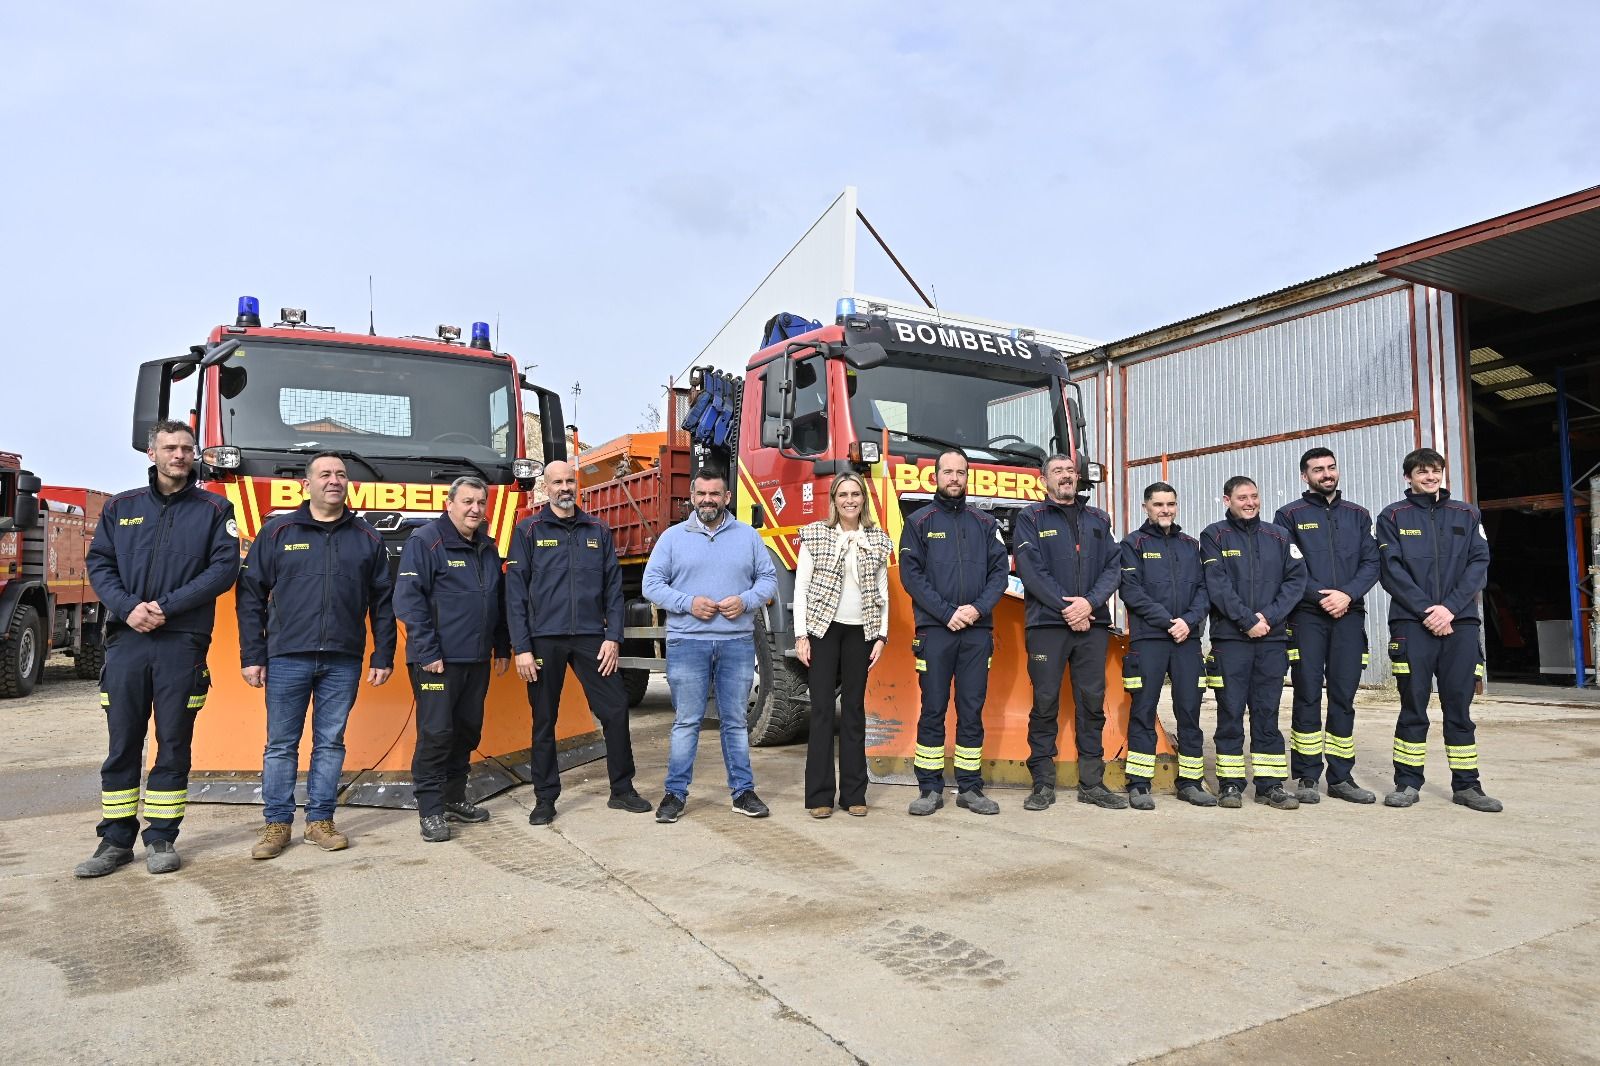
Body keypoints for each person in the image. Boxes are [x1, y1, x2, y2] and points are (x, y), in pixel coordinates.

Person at [76, 420, 239, 877]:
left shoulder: (213, 508)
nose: (180, 455)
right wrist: (129, 609)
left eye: (187, 448)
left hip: (181, 644)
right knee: (123, 742)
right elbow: (100, 564)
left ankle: (162, 836)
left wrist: (165, 608)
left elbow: (223, 570)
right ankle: (114, 840)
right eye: (170, 447)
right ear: (152, 454)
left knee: (173, 743)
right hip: (127, 640)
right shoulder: (121, 507)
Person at [237, 453, 396, 859]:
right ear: (306, 485)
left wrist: (383, 654)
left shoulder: (367, 538)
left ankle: (320, 821)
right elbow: (250, 595)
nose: (334, 480)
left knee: (329, 743)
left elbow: (383, 602)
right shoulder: (278, 532)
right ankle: (276, 824)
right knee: (280, 744)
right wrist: (252, 654)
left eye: (341, 474)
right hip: (287, 655)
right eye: (324, 474)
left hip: (343, 658)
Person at [506, 459, 651, 826]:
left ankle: (622, 790)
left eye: (570, 481)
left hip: (591, 639)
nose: (565, 488)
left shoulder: (597, 531)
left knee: (616, 710)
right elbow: (515, 594)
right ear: (546, 487)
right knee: (544, 720)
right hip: (543, 642)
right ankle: (545, 798)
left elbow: (613, 592)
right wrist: (521, 647)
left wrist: (613, 638)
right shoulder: (529, 531)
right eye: (557, 482)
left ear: (577, 485)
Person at [642, 469, 777, 824]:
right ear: (692, 496)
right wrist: (688, 603)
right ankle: (674, 794)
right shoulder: (672, 538)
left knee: (735, 721)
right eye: (701, 493)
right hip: (687, 643)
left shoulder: (748, 537)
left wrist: (747, 600)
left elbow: (768, 580)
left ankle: (743, 792)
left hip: (736, 643)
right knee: (687, 721)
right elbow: (651, 584)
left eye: (714, 494)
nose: (707, 500)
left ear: (727, 497)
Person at [1376, 448, 1501, 812]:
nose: (1430, 477)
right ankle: (1407, 783)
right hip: (1412, 624)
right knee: (1413, 706)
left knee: (1459, 709)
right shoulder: (1392, 517)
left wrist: (1449, 609)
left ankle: (1467, 786)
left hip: (1459, 623)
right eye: (1422, 472)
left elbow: (1479, 563)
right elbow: (1391, 569)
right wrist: (1427, 610)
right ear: (1408, 478)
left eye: (1435, 471)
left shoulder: (1466, 513)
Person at [394, 477, 511, 842]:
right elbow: (408, 600)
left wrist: (502, 646)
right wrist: (428, 652)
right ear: (450, 504)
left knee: (466, 730)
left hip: (475, 659)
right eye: (467, 502)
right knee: (436, 733)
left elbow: (497, 600)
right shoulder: (426, 541)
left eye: (480, 502)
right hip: (437, 661)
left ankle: (454, 797)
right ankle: (429, 809)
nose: (475, 508)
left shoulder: (487, 548)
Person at [898, 449, 1009, 816]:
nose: (954, 479)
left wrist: (976, 609)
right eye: (948, 472)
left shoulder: (985, 524)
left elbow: (999, 575)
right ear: (936, 477)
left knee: (971, 709)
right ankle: (929, 788)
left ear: (967, 477)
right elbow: (911, 576)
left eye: (961, 472)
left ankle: (970, 787)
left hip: (977, 632)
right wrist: (947, 613)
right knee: (933, 708)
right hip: (936, 632)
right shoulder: (919, 522)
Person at [1013, 454, 1124, 811]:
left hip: (1091, 625)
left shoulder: (1098, 519)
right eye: (1058, 472)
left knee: (1092, 703)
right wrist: (1067, 608)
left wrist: (1088, 605)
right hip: (1047, 625)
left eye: (1070, 472)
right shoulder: (1030, 518)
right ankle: (1042, 784)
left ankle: (1092, 782)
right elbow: (1031, 571)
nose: (1066, 477)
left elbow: (1113, 567)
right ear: (1043, 479)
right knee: (1045, 703)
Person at [1272, 447, 1380, 805]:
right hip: (1307, 616)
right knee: (1306, 694)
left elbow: (1371, 563)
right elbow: (1287, 568)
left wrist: (1346, 595)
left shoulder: (1358, 515)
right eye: (1318, 469)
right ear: (1305, 476)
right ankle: (1306, 776)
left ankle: (1341, 777)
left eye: (1331, 467)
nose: (1327, 474)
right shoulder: (1289, 515)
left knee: (1343, 697)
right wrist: (1321, 597)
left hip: (1349, 614)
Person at [1200, 476, 1307, 810]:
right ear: (1226, 500)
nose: (1249, 502)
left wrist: (1268, 619)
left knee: (1267, 712)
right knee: (1230, 712)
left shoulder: (1279, 535)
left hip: (1272, 638)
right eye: (1242, 497)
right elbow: (1216, 585)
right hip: (1231, 638)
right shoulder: (1214, 536)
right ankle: (1230, 784)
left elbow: (1296, 579)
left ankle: (1270, 785)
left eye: (1254, 496)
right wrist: (1247, 621)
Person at [793, 472, 893, 818]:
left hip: (860, 633)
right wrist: (801, 635)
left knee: (853, 711)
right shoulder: (815, 534)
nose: (849, 500)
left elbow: (883, 593)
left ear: (863, 499)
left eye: (855, 494)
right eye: (842, 495)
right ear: (833, 500)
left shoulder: (878, 540)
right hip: (823, 630)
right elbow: (801, 588)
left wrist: (881, 635)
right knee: (821, 710)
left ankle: (853, 794)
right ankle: (820, 796)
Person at [1118, 481, 1213, 809]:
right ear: (1146, 507)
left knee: (1190, 711)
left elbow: (1204, 590)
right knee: (1143, 710)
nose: (1165, 510)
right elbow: (1131, 590)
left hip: (1187, 639)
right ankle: (1139, 784)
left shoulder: (1190, 545)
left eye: (1170, 504)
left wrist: (1188, 621)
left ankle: (1191, 782)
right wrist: (1168, 621)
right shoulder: (1133, 544)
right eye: (1158, 504)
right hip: (1150, 640)